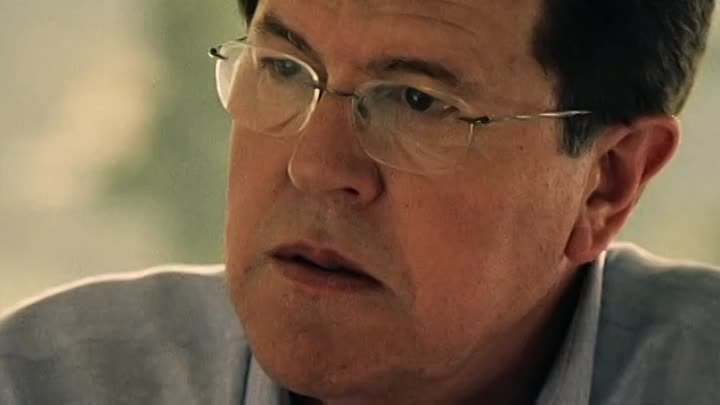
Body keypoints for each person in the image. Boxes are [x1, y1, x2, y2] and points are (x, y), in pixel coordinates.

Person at [1, 0, 719, 404]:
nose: (315, 166)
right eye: (284, 68)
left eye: (416, 101)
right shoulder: (46, 385)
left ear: (607, 183)